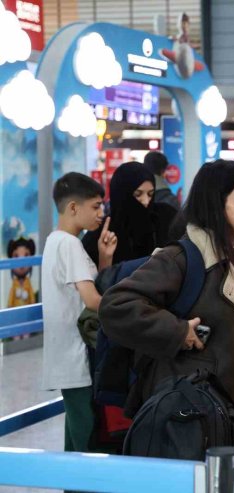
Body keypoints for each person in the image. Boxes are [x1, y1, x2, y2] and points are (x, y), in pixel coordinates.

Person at [99, 160, 234, 419]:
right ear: (216, 203)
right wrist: (178, 332)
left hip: (231, 416)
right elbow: (116, 305)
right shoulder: (183, 259)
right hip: (186, 418)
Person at [42, 172, 118, 452]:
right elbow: (92, 300)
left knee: (75, 430)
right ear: (74, 208)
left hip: (66, 354)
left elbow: (85, 289)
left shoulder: (56, 240)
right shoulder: (70, 244)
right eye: (96, 206)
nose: (101, 213)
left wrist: (104, 258)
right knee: (85, 432)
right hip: (75, 356)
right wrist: (128, 308)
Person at [82, 162, 175, 266]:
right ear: (122, 195)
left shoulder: (165, 218)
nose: (146, 201)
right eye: (138, 194)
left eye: (150, 194)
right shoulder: (101, 234)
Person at [6, 237, 36, 308]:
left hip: (27, 313)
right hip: (15, 314)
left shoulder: (28, 282)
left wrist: (33, 306)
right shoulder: (14, 283)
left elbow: (32, 298)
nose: (21, 264)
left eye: (26, 255)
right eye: (16, 256)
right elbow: (11, 298)